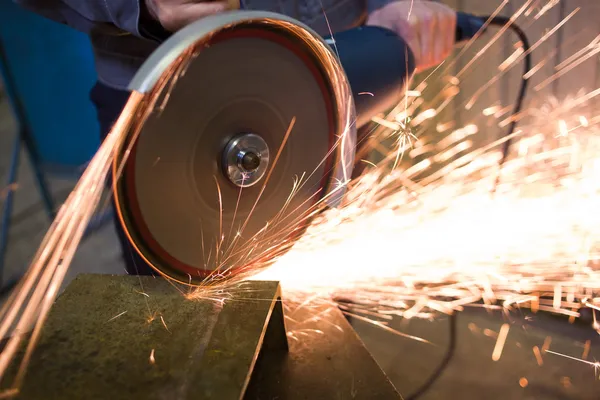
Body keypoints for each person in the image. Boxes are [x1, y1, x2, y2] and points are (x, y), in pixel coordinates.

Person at [14, 0, 456, 275]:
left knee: (325, 321)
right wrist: (138, 4)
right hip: (170, 109)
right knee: (175, 336)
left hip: (336, 81)